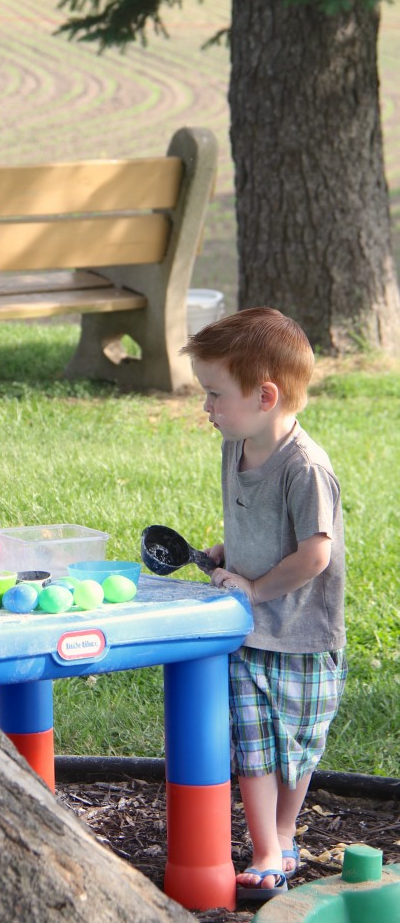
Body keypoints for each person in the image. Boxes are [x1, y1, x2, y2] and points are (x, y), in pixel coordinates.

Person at [179, 307, 347, 904]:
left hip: (304, 634)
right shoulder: (237, 444)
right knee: (252, 745)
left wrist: (253, 588)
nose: (207, 408)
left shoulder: (304, 468)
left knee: (295, 749)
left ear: (266, 394)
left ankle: (283, 833)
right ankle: (267, 849)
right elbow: (255, 527)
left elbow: (313, 556)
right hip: (249, 630)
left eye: (215, 394)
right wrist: (228, 552)